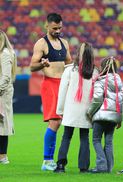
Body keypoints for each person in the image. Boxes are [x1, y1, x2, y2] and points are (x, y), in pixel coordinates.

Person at [30, 13, 72, 171]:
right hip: (50, 84)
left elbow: (69, 63)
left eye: (60, 27)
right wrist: (42, 64)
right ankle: (47, 161)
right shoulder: (41, 44)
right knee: (55, 121)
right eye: (54, 28)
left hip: (64, 84)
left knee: (61, 122)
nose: (57, 30)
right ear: (46, 26)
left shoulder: (64, 43)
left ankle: (51, 160)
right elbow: (32, 66)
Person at [53, 42, 98, 173]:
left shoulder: (69, 70)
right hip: (87, 111)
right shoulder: (95, 72)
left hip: (71, 110)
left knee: (66, 136)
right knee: (84, 137)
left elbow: (62, 92)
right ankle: (83, 167)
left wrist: (60, 110)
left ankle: (60, 165)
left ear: (78, 54)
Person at [86, 56, 123, 173]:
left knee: (96, 140)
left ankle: (101, 166)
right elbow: (121, 100)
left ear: (103, 67)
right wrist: (119, 118)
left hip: (101, 116)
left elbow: (97, 98)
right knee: (108, 142)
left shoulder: (100, 80)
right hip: (113, 117)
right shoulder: (118, 80)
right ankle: (109, 167)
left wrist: (89, 112)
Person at [0, 30, 17, 164]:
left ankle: (3, 156)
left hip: (2, 93)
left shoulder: (5, 54)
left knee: (2, 123)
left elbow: (6, 77)